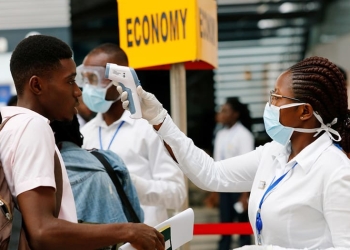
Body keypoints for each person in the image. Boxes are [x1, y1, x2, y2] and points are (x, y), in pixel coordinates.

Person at [118, 56, 350, 249]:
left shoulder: (336, 171)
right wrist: (159, 119)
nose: (269, 104)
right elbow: (211, 174)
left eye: (277, 97)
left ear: (304, 111)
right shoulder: (274, 154)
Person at [0, 34, 164, 250]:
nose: (78, 92)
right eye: (70, 81)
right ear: (37, 85)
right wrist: (129, 230)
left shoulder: (7, 123)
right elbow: (42, 231)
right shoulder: (34, 126)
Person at [79, 43, 186, 227]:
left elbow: (177, 194)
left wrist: (131, 184)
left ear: (120, 79)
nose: (88, 87)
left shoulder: (150, 128)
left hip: (144, 240)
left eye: (95, 78)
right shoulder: (85, 134)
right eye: (85, 79)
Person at [50, 114, 144, 226]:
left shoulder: (45, 172)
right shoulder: (110, 159)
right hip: (119, 240)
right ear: (77, 131)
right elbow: (137, 217)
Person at [214, 97, 254, 249]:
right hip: (224, 187)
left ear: (235, 114)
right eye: (221, 110)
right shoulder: (220, 135)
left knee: (243, 229)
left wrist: (245, 195)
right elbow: (216, 163)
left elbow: (248, 167)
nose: (221, 114)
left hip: (239, 188)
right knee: (225, 226)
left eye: (225, 111)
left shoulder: (244, 135)